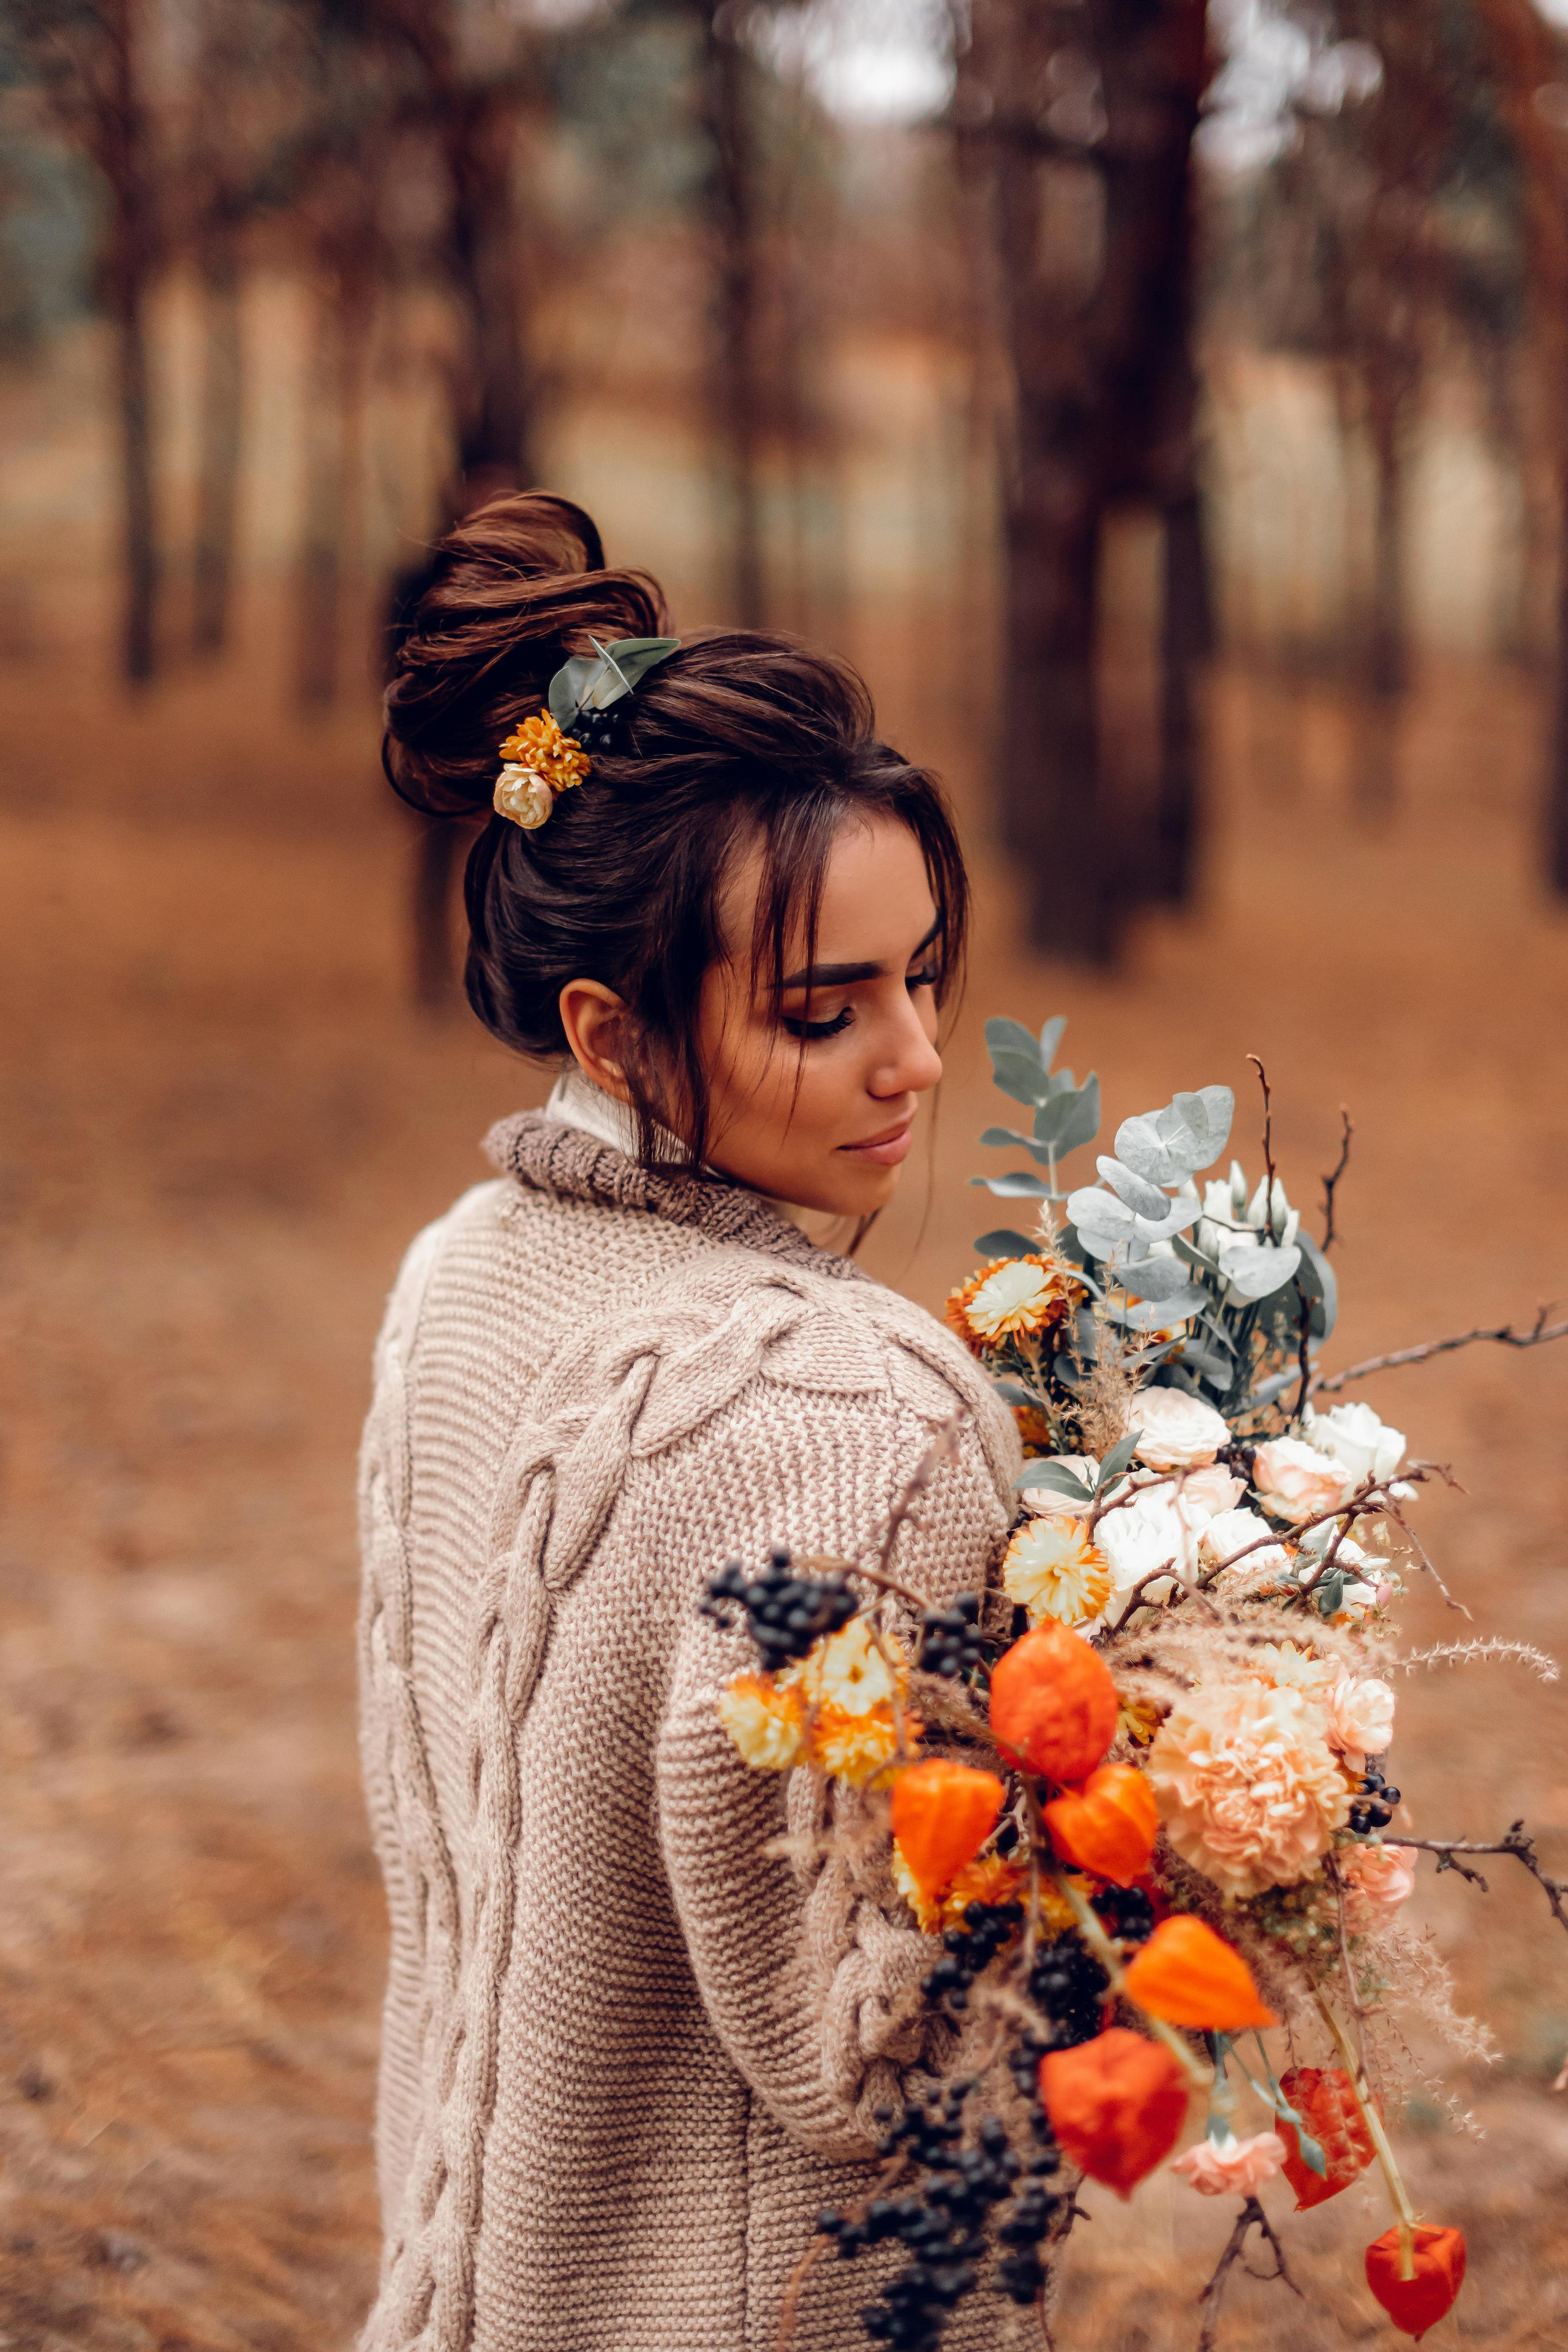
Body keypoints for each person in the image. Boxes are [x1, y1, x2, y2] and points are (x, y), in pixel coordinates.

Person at [358, 491, 1021, 2352]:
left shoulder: (456, 1282)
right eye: (825, 1011)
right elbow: (878, 2064)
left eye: (925, 973)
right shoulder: (848, 1412)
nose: (915, 1059)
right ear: (608, 1032)